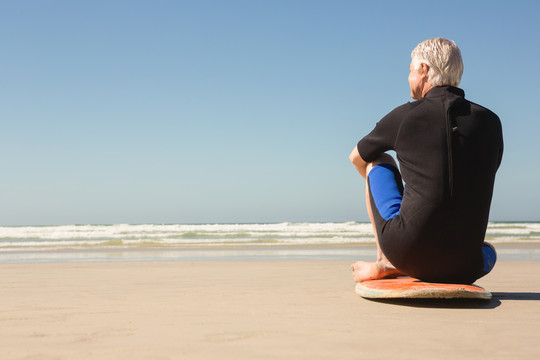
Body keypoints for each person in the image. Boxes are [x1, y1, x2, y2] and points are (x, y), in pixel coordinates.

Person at [349, 38, 503, 284]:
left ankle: (385, 261)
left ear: (423, 70)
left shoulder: (404, 116)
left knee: (376, 160)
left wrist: (386, 192)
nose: (409, 77)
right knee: (489, 252)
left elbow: (356, 157)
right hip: (468, 265)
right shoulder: (491, 122)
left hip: (407, 254)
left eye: (410, 70)